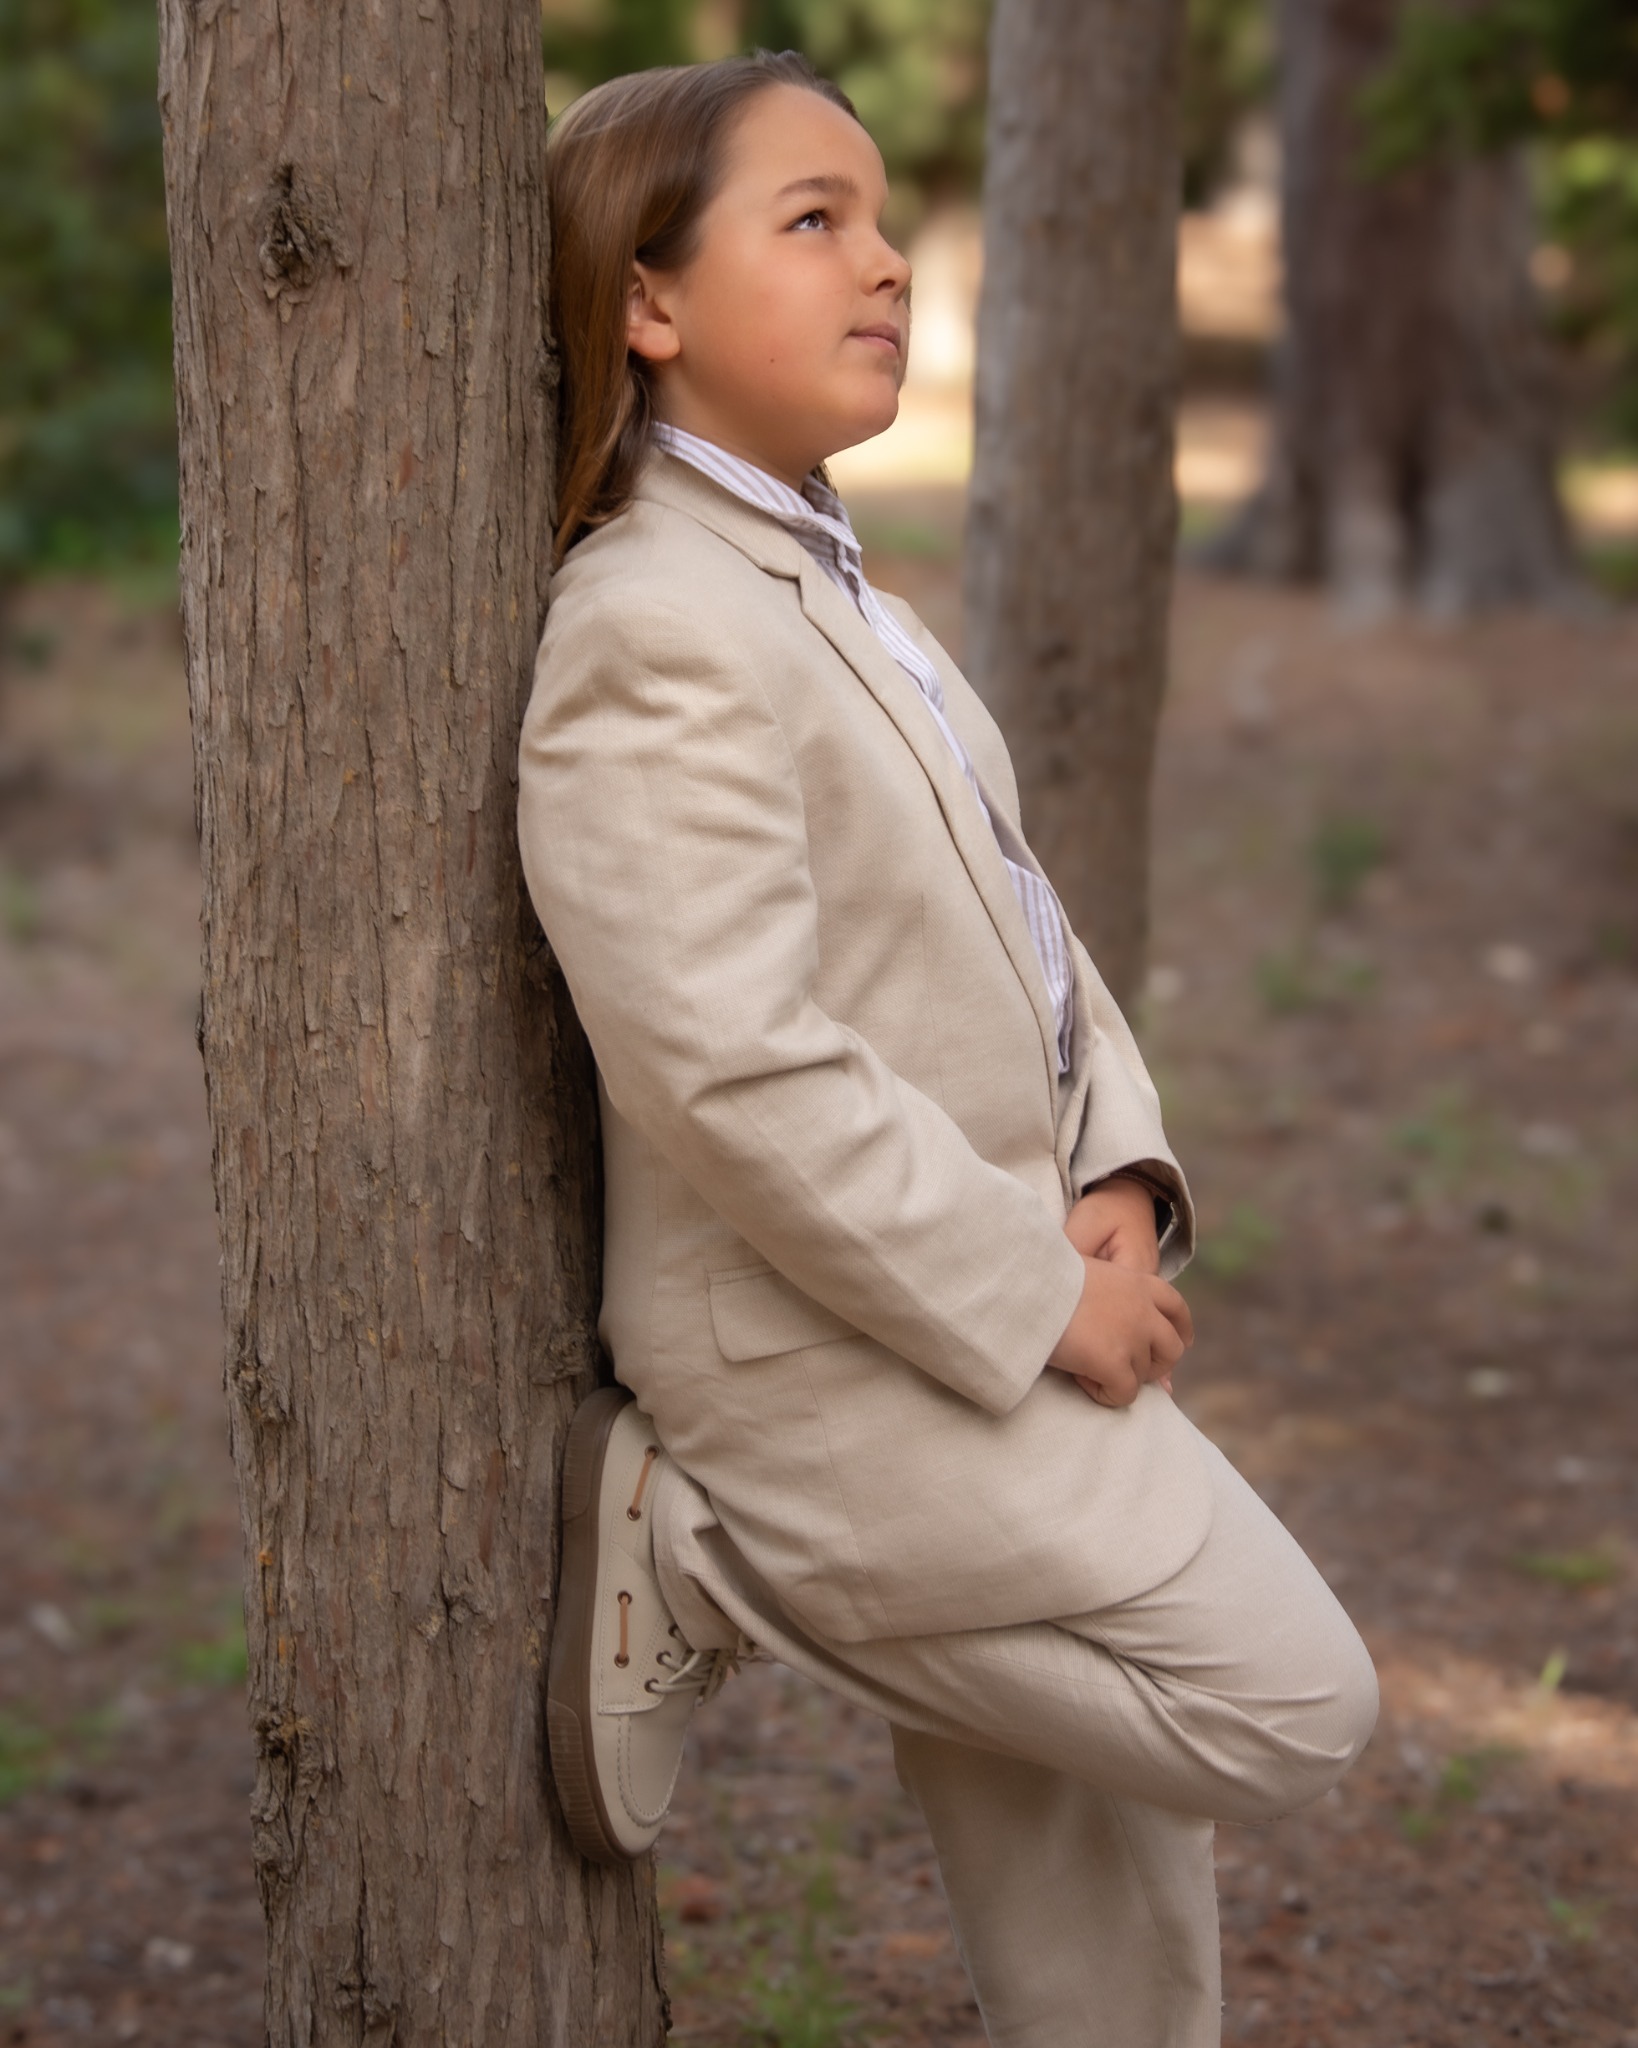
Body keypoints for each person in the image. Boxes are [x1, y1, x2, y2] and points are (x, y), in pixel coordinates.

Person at [517, 49, 1377, 2047]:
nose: (885, 262)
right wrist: (1029, 1300)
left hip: (988, 1275)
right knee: (1289, 1699)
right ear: (647, 300)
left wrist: (1117, 1186)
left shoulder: (816, 573)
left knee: (1103, 1895)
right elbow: (726, 1056)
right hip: (833, 1350)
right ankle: (708, 1555)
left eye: (884, 217)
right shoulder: (655, 622)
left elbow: (1023, 923)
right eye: (811, 222)